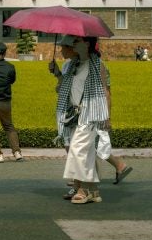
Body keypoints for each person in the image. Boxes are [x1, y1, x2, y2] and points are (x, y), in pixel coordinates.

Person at [50, 35, 132, 202]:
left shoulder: (98, 65)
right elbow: (67, 88)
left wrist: (107, 117)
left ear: (87, 44)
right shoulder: (73, 65)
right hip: (74, 115)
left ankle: (83, 189)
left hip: (91, 114)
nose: (73, 44)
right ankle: (93, 190)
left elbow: (106, 91)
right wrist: (57, 73)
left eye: (77, 41)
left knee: (77, 150)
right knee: (84, 153)